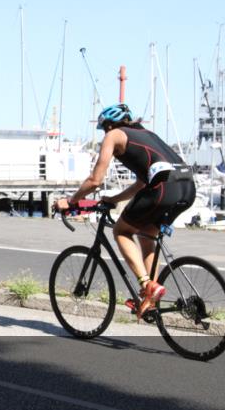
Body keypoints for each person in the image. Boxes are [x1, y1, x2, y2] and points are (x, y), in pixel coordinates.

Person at [56, 103, 196, 319]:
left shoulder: (113, 136)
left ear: (109, 125)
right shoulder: (146, 134)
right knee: (147, 233)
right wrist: (114, 199)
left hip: (163, 189)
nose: (105, 133)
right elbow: (142, 182)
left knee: (121, 231)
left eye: (104, 128)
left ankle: (146, 285)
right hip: (187, 187)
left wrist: (71, 200)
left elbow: (95, 180)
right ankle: (149, 299)